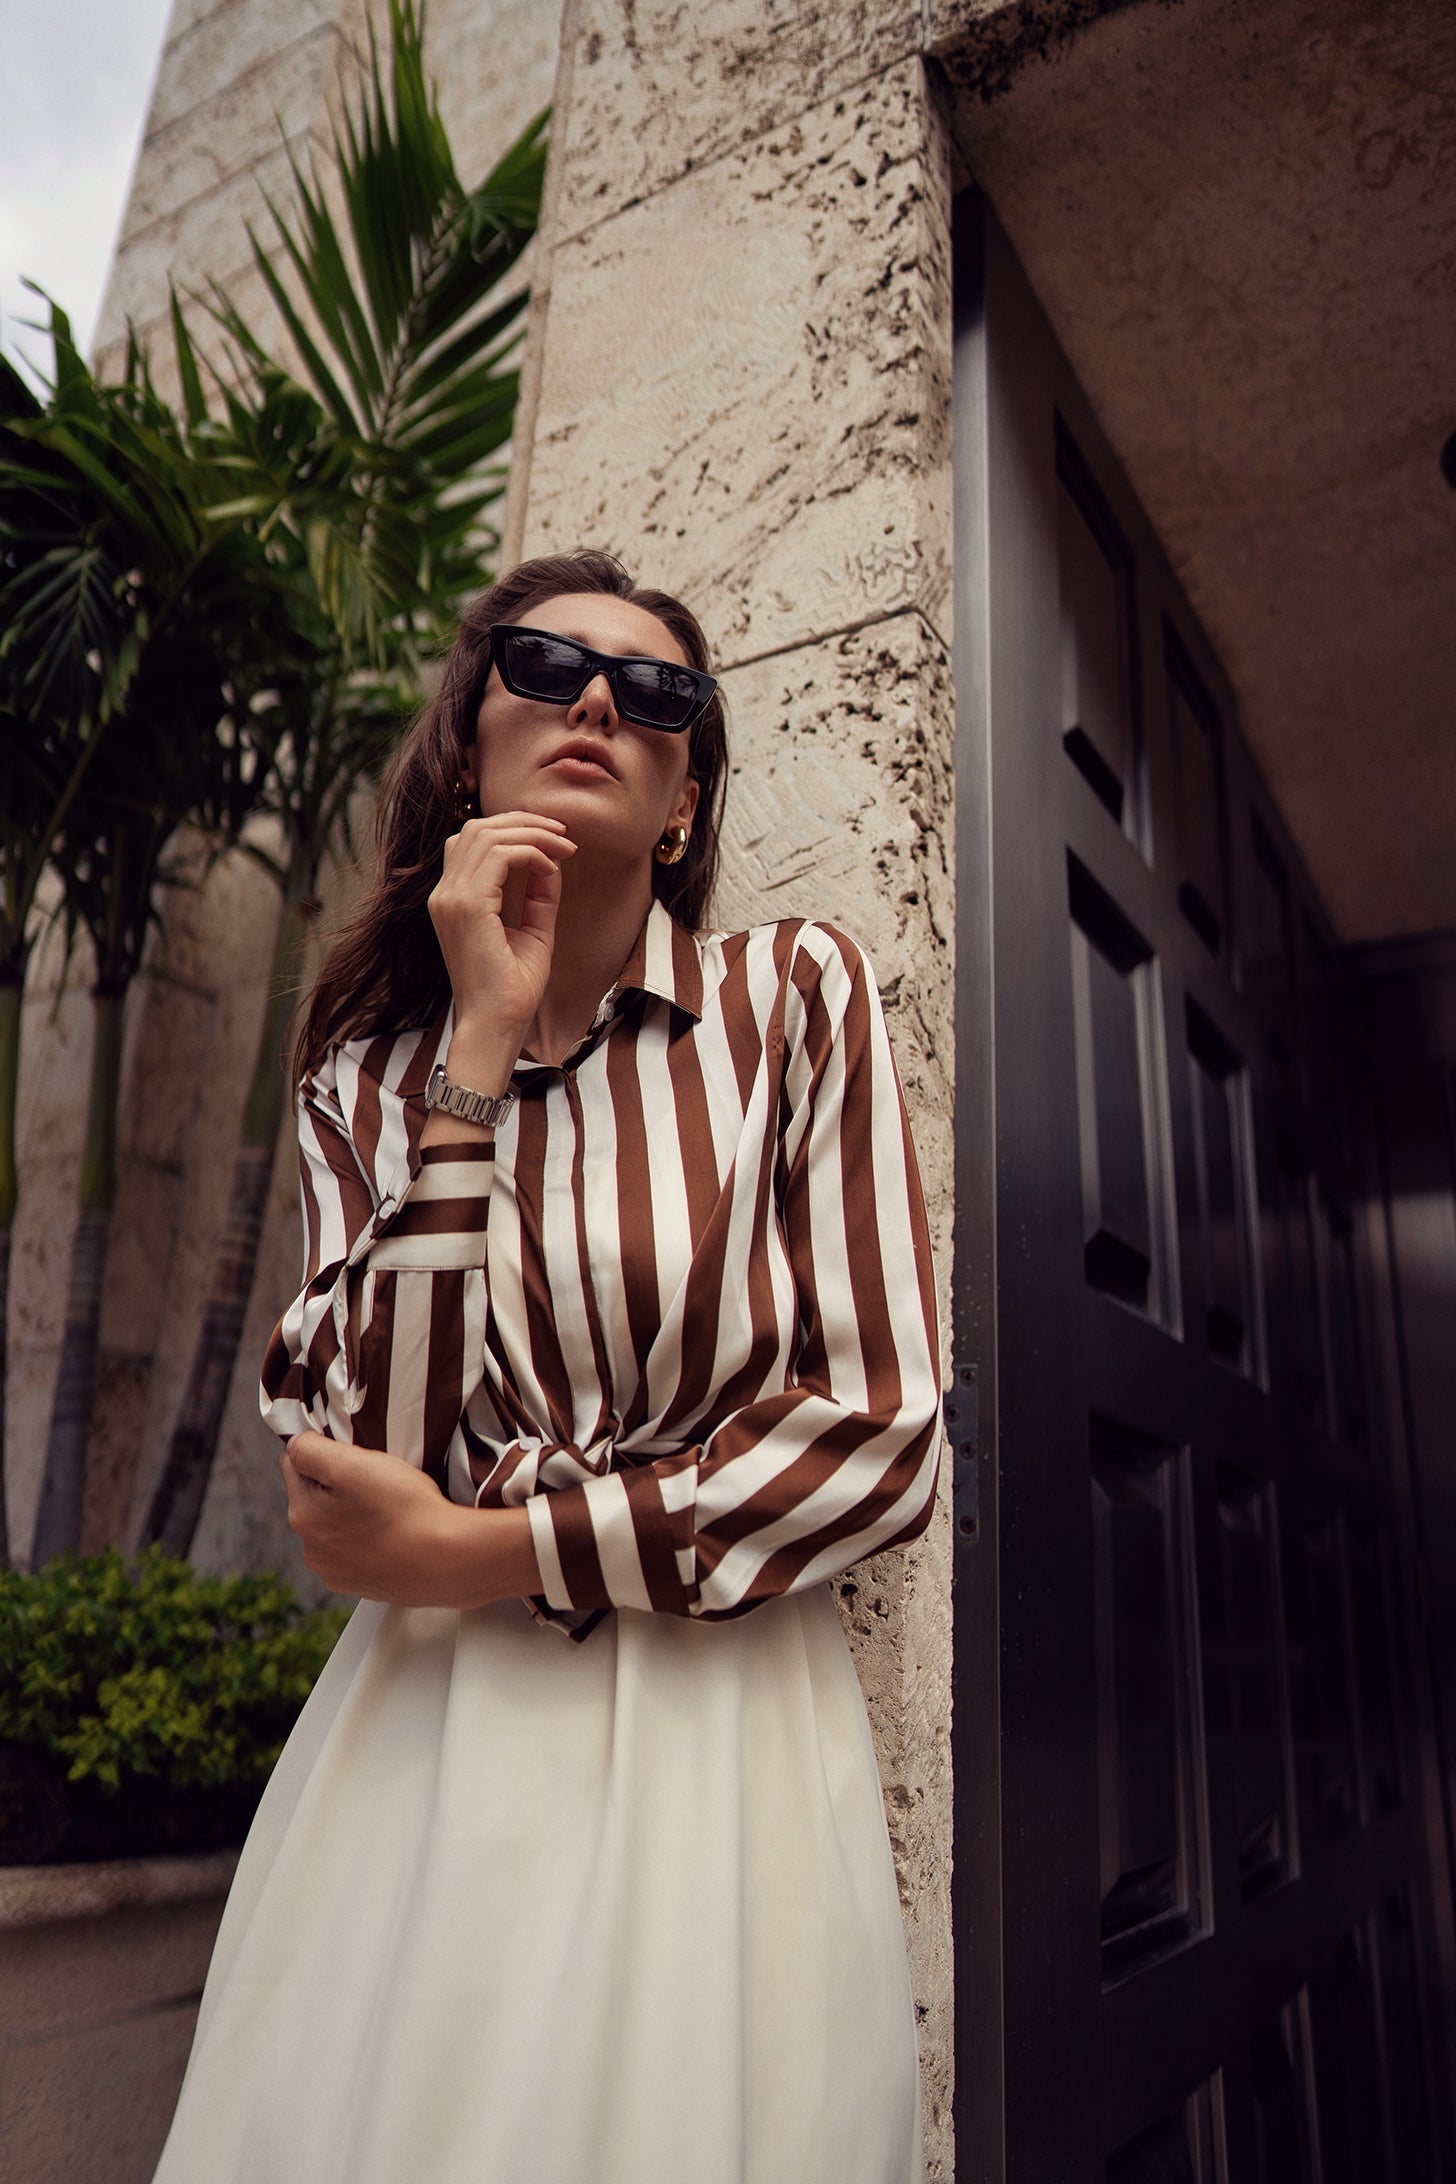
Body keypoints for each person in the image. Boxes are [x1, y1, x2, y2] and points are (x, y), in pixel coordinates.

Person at [150, 549, 944, 2184]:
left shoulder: (792, 995)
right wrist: (478, 1055)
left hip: (717, 1721)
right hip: (429, 1733)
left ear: (682, 799)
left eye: (658, 694)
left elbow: (881, 1440)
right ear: (467, 745)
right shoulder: (364, 1084)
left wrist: (488, 1549)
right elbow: (368, 1449)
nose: (598, 699)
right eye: (544, 665)